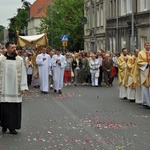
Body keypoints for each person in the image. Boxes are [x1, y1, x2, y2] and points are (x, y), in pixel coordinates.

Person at [0, 41, 28, 134]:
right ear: (7, 48)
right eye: (12, 47)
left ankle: (12, 127)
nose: (14, 49)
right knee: (4, 108)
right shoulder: (1, 59)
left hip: (15, 88)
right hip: (4, 87)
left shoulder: (19, 59)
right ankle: (4, 125)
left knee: (14, 108)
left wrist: (23, 87)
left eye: (15, 47)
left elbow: (23, 73)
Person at [137, 42, 150, 108]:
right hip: (145, 72)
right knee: (145, 88)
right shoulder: (140, 53)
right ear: (144, 46)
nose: (148, 46)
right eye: (147, 45)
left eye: (149, 45)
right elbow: (139, 62)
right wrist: (147, 64)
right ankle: (146, 102)